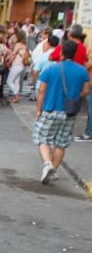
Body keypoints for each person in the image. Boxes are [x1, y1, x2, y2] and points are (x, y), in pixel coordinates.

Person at [34, 39, 91, 183]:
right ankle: (53, 170)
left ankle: (47, 164)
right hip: (69, 112)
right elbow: (85, 91)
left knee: (42, 139)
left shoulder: (51, 69)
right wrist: (74, 96)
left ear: (61, 52)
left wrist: (38, 108)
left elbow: (41, 90)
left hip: (51, 109)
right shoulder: (82, 70)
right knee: (61, 143)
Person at [5, 30, 30, 103]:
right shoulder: (24, 45)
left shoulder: (18, 44)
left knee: (9, 81)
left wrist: (8, 62)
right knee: (16, 81)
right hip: (22, 65)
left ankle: (16, 95)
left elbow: (13, 54)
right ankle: (15, 97)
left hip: (16, 65)